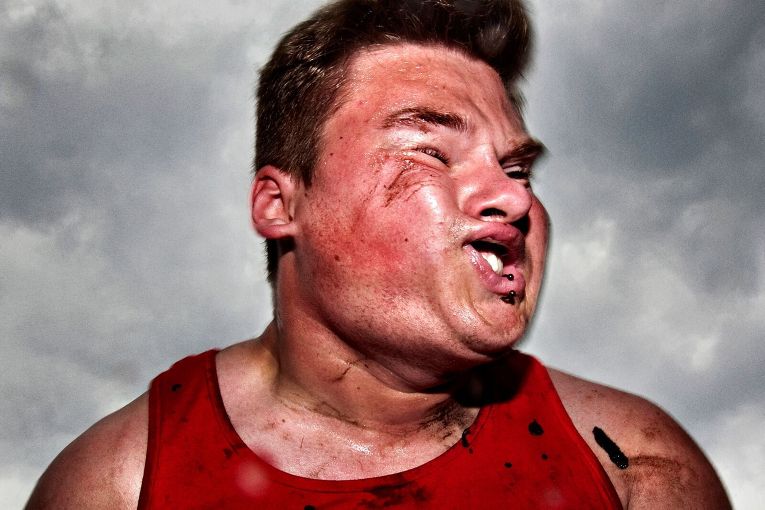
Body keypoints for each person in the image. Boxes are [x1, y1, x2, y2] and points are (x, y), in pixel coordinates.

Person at [27, 0, 731, 508]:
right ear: (280, 206)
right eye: (431, 151)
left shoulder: (633, 466)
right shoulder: (116, 484)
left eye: (517, 169)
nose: (514, 199)